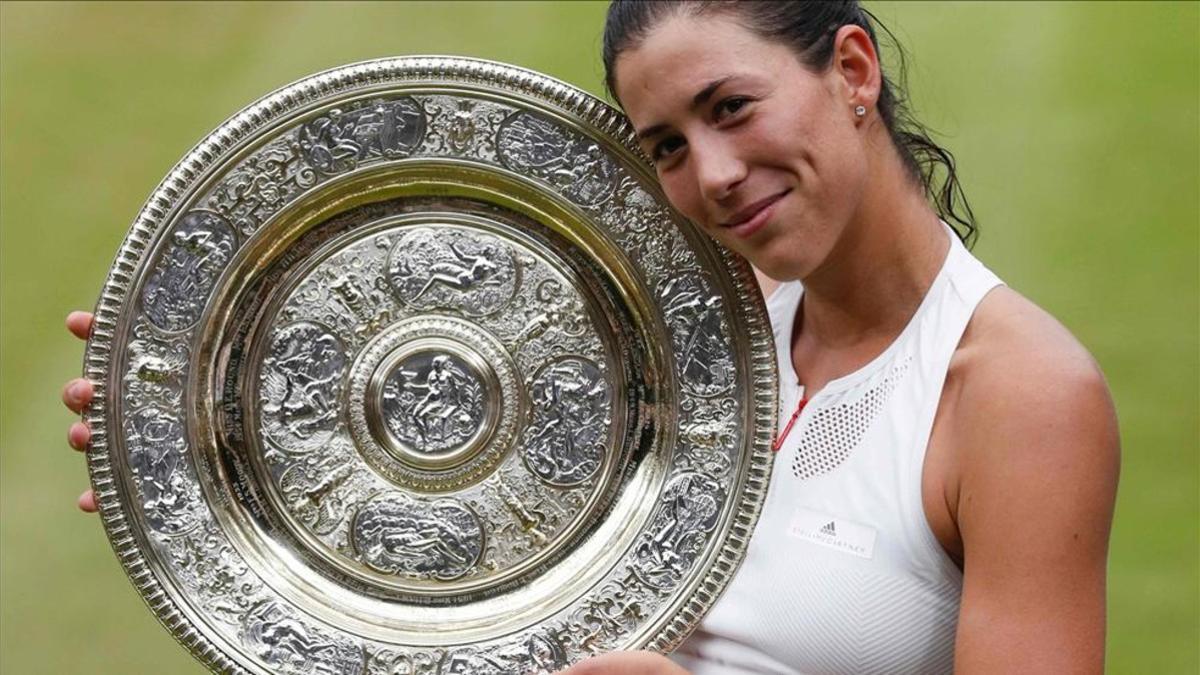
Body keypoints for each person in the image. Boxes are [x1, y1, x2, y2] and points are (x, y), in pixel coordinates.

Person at [60, 1, 1120, 673]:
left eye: (733, 107)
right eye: (665, 145)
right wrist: (198, 456)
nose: (710, 177)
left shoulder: (1021, 395)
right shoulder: (676, 327)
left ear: (851, 71)